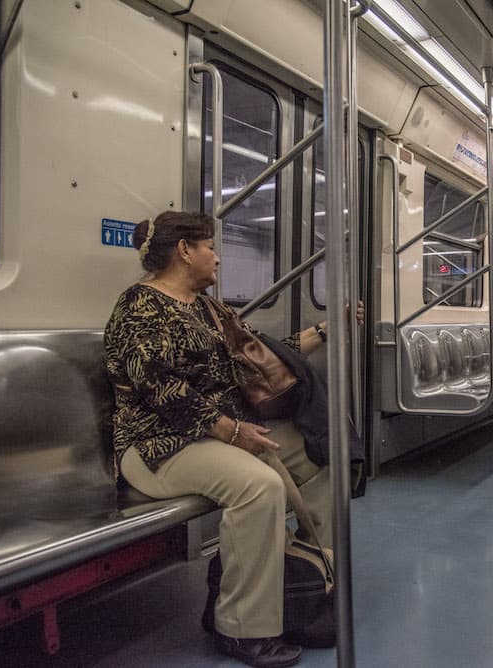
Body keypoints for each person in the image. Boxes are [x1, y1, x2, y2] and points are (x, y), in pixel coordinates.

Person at [104, 211, 361, 668]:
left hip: (214, 436)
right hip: (157, 446)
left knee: (321, 457)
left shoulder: (207, 308)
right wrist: (230, 430)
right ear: (185, 251)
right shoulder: (139, 307)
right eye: (209, 247)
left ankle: (307, 587)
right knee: (258, 487)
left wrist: (327, 330)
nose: (217, 257)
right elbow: (159, 388)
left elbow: (261, 355)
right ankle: (242, 628)